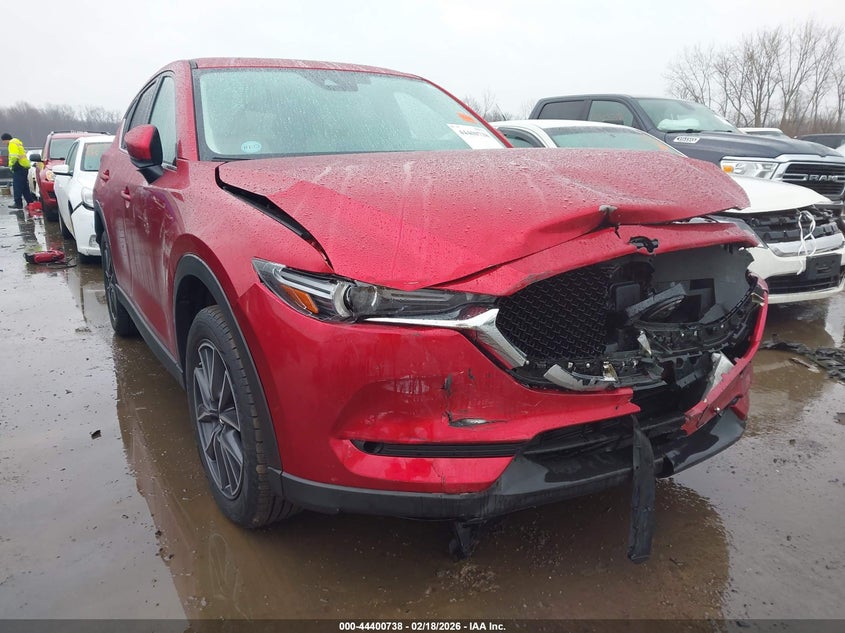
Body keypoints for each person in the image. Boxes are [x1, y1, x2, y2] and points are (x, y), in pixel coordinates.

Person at [2, 132, 35, 209]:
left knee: (17, 186)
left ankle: (18, 203)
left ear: (5, 140)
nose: (3, 143)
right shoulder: (17, 142)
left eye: (3, 141)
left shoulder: (12, 143)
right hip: (24, 166)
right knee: (24, 186)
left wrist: (11, 165)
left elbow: (14, 156)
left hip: (18, 167)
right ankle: (30, 202)